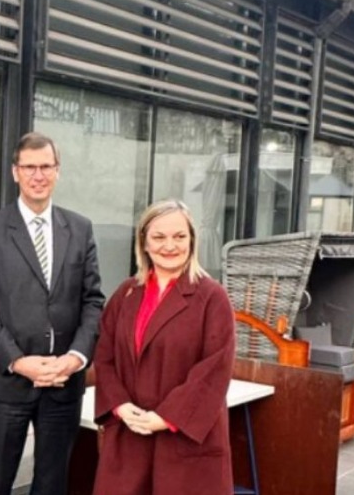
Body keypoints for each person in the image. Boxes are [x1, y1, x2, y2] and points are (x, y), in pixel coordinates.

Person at [0, 132, 105, 495]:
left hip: (63, 384)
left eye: (46, 166)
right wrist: (17, 361)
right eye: (29, 167)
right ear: (15, 172)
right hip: (6, 383)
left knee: (52, 485)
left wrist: (75, 358)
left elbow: (92, 301)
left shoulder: (80, 229)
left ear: (58, 170)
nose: (38, 175)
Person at [92, 199, 236, 495]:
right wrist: (119, 405)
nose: (169, 246)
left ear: (191, 241)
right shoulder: (126, 293)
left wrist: (167, 417)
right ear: (144, 243)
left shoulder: (212, 297)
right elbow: (104, 357)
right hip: (131, 433)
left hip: (185, 439)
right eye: (159, 237)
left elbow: (215, 368)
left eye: (179, 236)